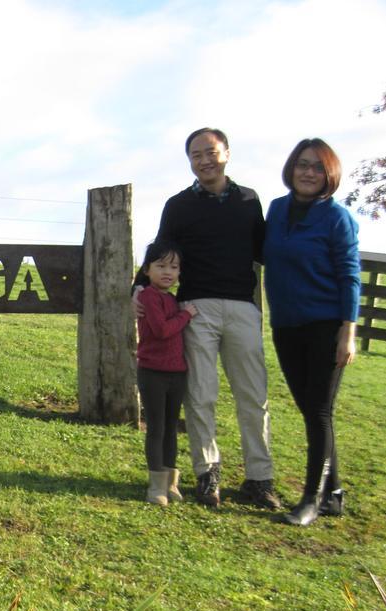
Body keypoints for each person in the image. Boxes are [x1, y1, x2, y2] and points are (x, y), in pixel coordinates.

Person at [154, 128, 280, 510]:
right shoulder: (178, 205)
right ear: (189, 161)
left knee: (253, 396)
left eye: (210, 152)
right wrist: (139, 290)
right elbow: (161, 251)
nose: (204, 160)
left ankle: (260, 479)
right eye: (196, 155)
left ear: (226, 153)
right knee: (201, 394)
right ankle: (207, 476)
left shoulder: (248, 200)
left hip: (243, 307)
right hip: (197, 307)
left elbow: (264, 252)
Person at [262, 138, 359, 526]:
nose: (308, 172)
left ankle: (310, 500)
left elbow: (350, 277)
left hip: (326, 326)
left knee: (318, 410)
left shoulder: (338, 218)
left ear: (328, 174)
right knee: (310, 409)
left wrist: (346, 332)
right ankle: (333, 491)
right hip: (286, 325)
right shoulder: (277, 209)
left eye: (317, 167)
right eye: (302, 164)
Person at [134, 240, 198, 505]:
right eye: (160, 266)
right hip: (152, 372)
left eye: (173, 267)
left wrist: (181, 311)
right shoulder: (148, 296)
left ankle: (172, 482)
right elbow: (161, 331)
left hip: (177, 373)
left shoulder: (172, 298)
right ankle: (155, 485)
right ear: (147, 270)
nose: (167, 272)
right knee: (156, 428)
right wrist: (186, 316)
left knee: (171, 427)